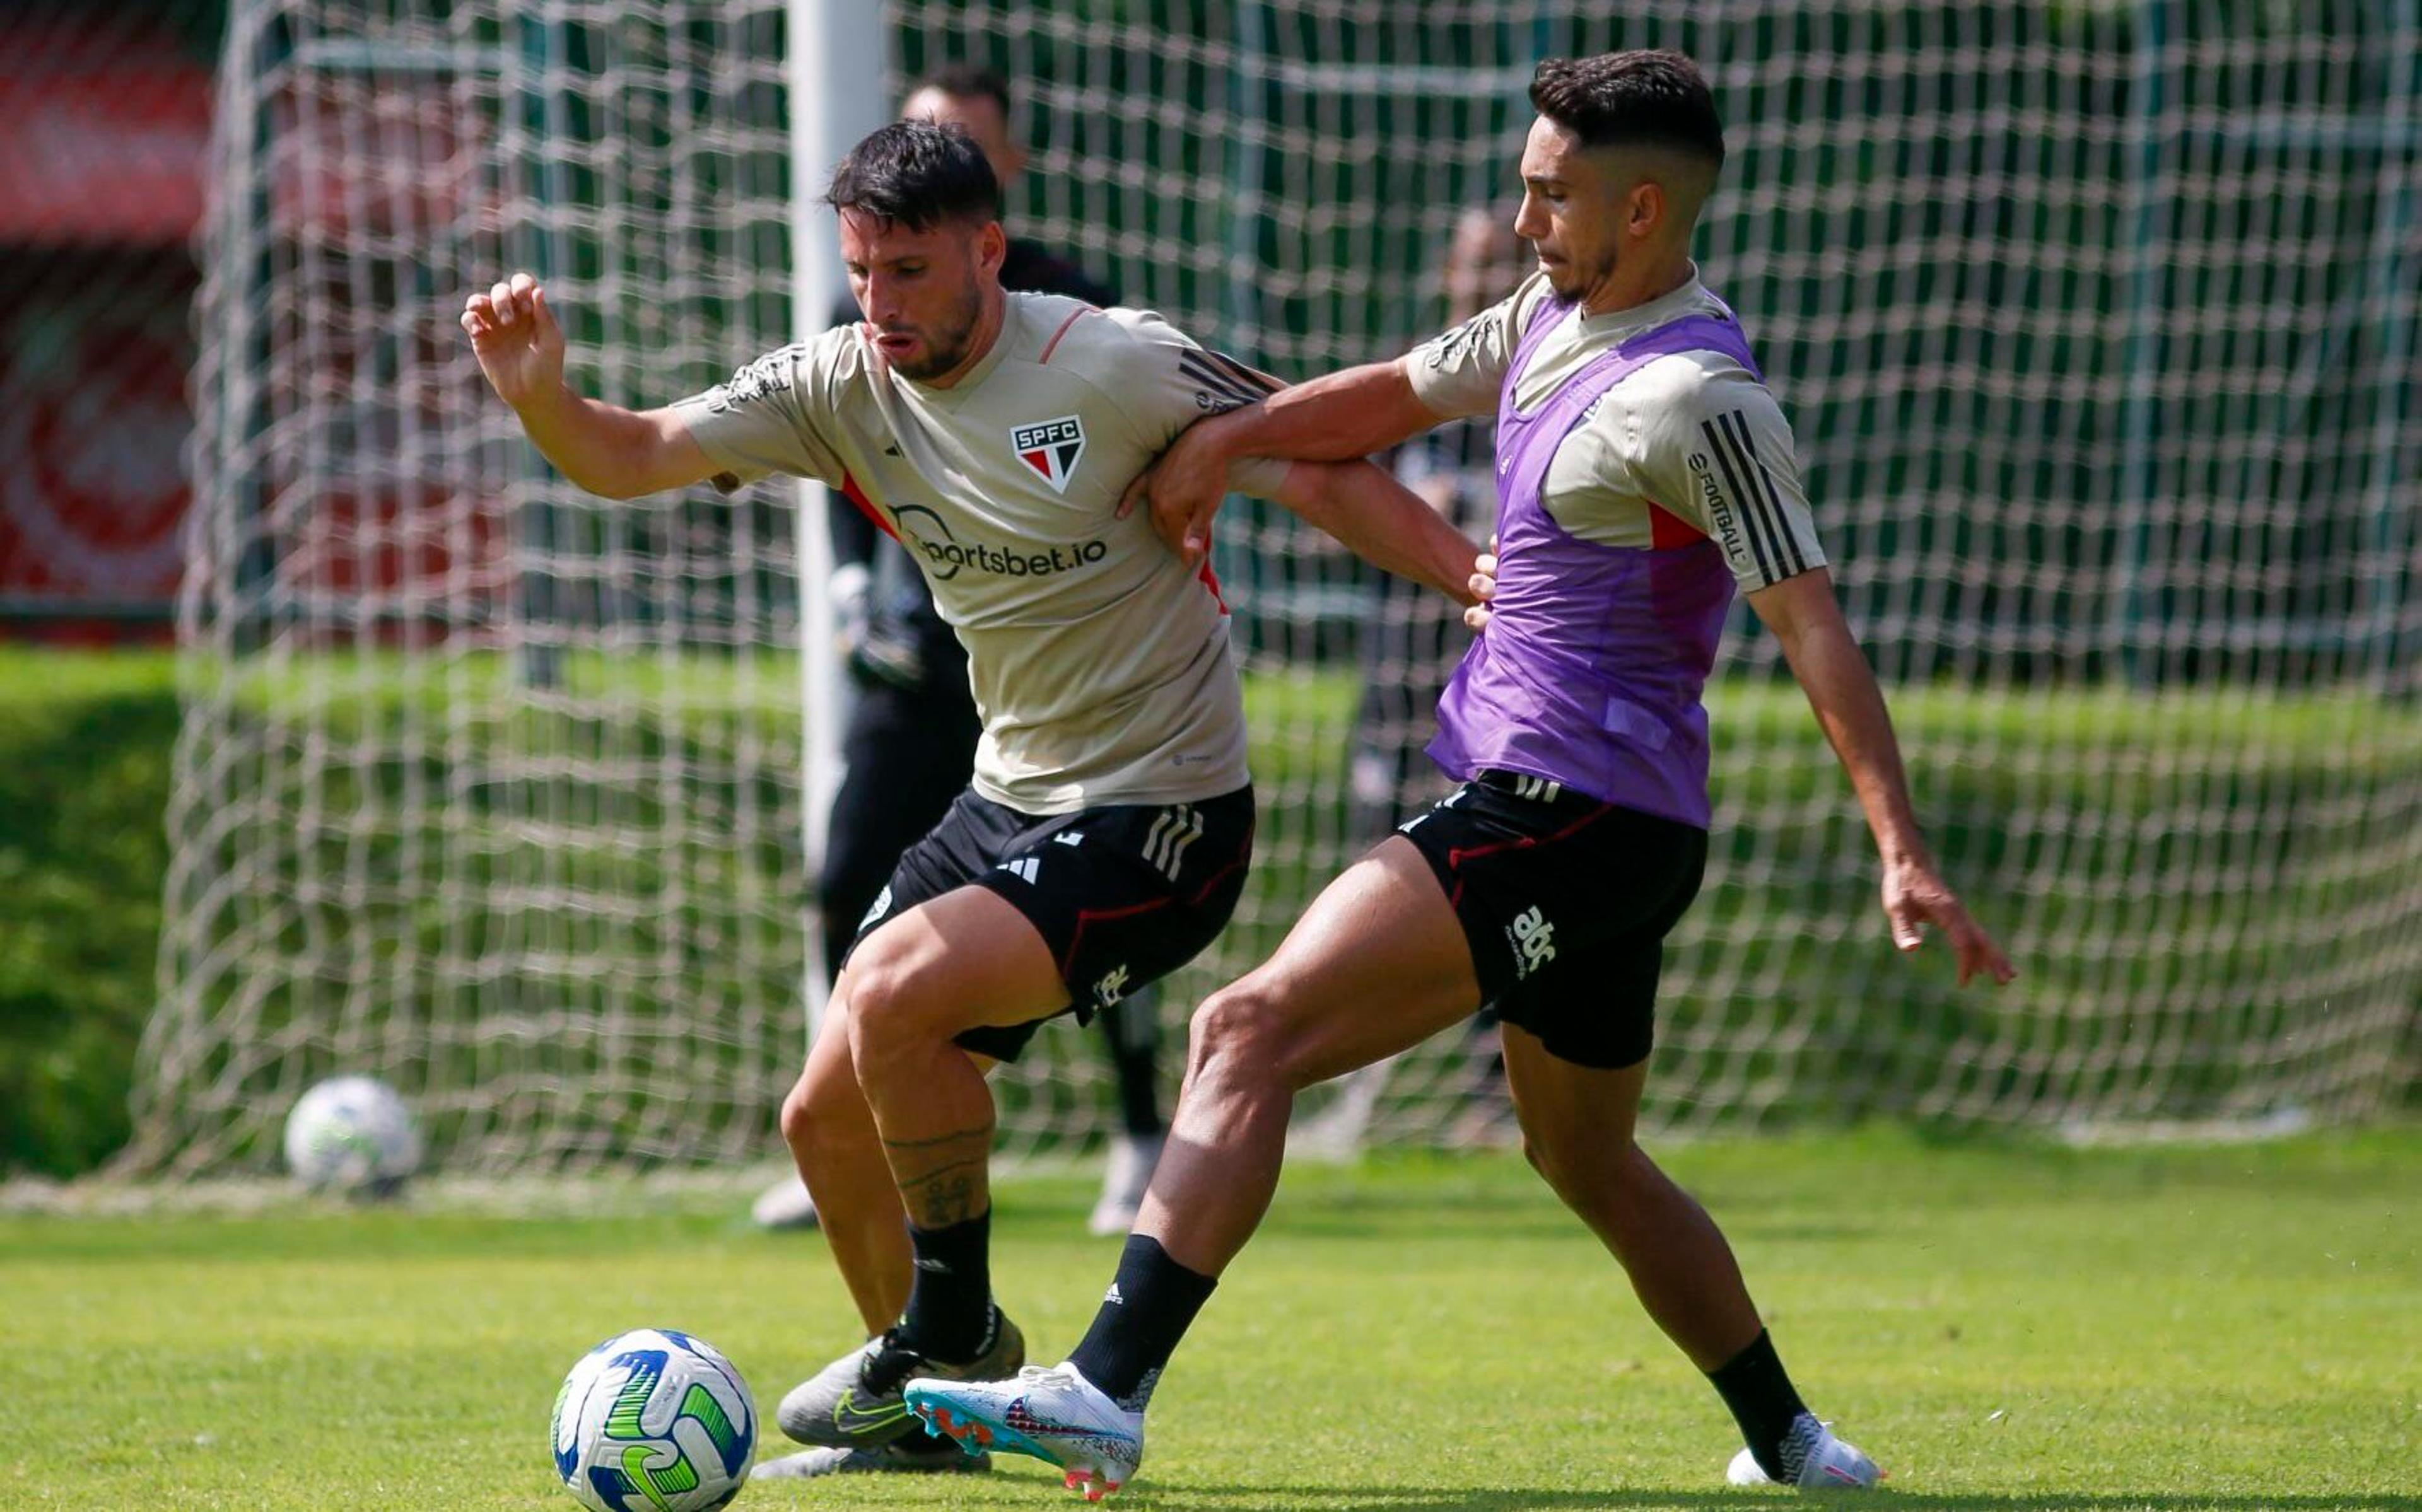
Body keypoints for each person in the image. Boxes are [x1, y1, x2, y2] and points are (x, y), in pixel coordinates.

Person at [904, 50, 2015, 1499]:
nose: (1523, 213)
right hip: (1605, 823)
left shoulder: (1698, 397)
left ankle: (1104, 1387)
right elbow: (1384, 398)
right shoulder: (1546, 314)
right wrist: (1234, 438)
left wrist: (1900, 842)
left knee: (1246, 1030)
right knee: (1588, 1158)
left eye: (1552, 193)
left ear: (1638, 209)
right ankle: (1797, 1443)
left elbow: (1810, 622)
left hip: (1565, 809)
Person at [459, 121, 1479, 1481]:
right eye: (862, 272)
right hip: (1009, 797)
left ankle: (950, 1325)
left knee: (887, 997)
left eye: (911, 272)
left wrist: (1478, 583)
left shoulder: (1105, 360)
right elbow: (633, 451)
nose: (879, 305)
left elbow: (1312, 459)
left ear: (988, 252)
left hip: (1162, 811)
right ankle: (929, 1421)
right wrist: (540, 398)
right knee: (823, 1121)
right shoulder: (839, 378)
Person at [759, 62, 1173, 1250]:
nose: (884, 288)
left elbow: (1207, 438)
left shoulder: (1082, 324)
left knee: (1105, 914)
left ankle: (1138, 1133)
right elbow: (820, 457)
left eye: (963, 147)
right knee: (847, 878)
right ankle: (852, 1127)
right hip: (921, 664)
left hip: (1071, 691)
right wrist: (850, 591)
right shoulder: (858, 340)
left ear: (996, 206)